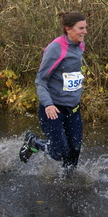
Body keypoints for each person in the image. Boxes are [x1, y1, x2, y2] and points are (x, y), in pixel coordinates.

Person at [19, 11, 87, 171]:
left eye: (85, 27)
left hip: (73, 108)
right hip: (53, 109)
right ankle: (33, 142)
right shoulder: (56, 48)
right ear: (68, 29)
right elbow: (41, 80)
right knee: (60, 152)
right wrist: (48, 104)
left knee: (75, 150)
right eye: (81, 28)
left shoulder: (80, 44)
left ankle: (67, 184)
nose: (85, 32)